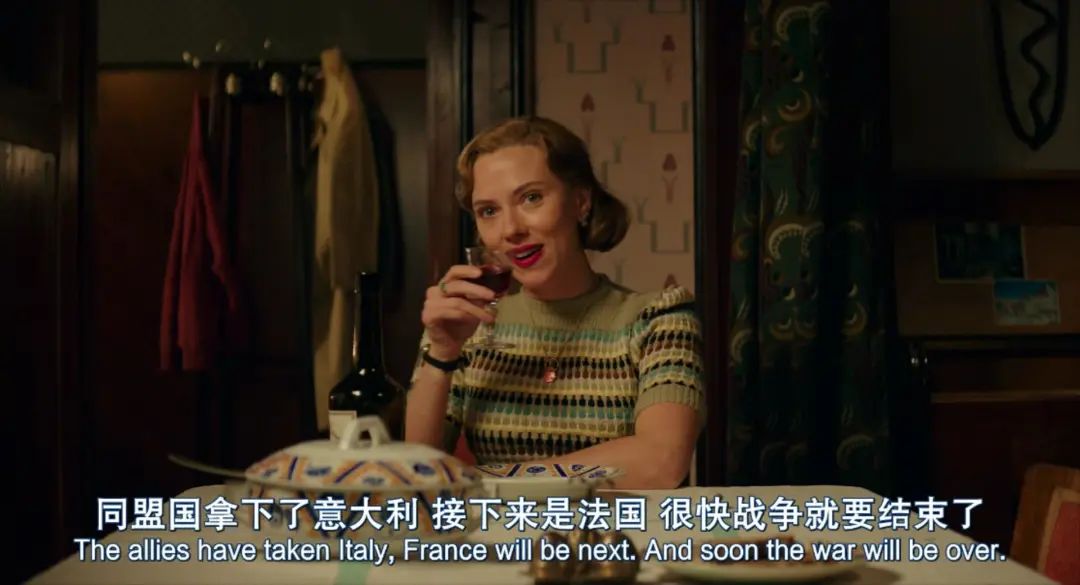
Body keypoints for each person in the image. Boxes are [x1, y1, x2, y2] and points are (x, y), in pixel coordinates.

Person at [404, 116, 705, 489]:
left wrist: (490, 479)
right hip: (502, 528)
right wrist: (441, 354)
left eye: (531, 198)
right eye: (489, 211)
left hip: (616, 528)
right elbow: (418, 473)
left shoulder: (659, 318)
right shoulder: (469, 322)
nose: (510, 230)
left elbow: (662, 463)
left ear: (580, 202)